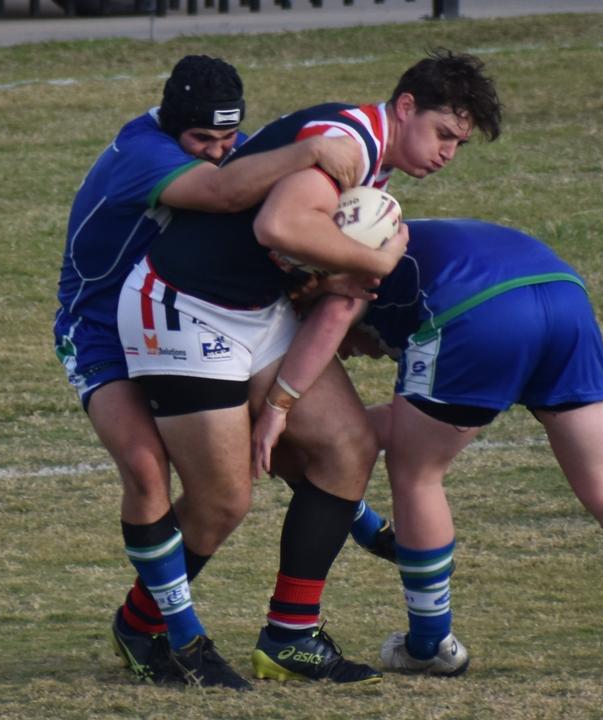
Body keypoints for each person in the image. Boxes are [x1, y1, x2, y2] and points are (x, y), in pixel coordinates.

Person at [118, 50, 502, 686]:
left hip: (255, 313)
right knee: (222, 501)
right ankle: (140, 626)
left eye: (459, 144)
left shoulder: (374, 171)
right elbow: (280, 223)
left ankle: (290, 637)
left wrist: (281, 407)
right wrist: (374, 264)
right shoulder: (346, 141)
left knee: (348, 445)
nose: (447, 153)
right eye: (443, 134)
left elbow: (320, 287)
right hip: (185, 309)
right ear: (405, 107)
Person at [256, 218, 603, 677]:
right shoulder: (397, 242)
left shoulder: (333, 280)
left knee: (417, 474)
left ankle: (428, 644)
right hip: (563, 296)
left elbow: (335, 317)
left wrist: (280, 406)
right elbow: (374, 431)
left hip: (477, 308)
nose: (350, 355)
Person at [55, 54, 371, 689]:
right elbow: (225, 193)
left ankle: (155, 623)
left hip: (195, 321)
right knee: (150, 471)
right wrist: (311, 149)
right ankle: (182, 636)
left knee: (254, 475)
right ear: (172, 123)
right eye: (203, 140)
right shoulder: (140, 152)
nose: (220, 152)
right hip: (101, 331)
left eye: (229, 139)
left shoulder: (233, 150)